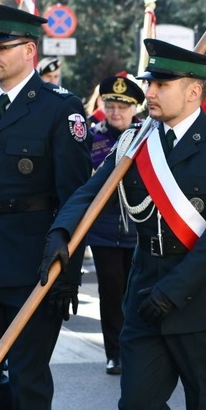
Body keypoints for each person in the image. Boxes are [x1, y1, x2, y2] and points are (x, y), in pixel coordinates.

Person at [42, 39, 206, 409]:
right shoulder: (135, 142)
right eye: (150, 83)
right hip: (143, 296)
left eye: (160, 85)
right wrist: (61, 232)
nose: (149, 92)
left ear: (192, 92)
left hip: (200, 301)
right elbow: (90, 193)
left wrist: (173, 290)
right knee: (137, 403)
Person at [0, 3, 92, 409]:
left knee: (28, 378)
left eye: (0, 47)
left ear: (29, 50)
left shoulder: (60, 109)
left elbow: (77, 197)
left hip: (34, 265)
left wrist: (69, 272)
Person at [86, 72, 145, 375]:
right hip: (104, 231)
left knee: (136, 291)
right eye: (110, 105)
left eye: (122, 106)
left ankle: (138, 349)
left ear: (135, 107)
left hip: (138, 230)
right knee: (111, 290)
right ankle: (115, 352)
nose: (116, 112)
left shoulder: (147, 137)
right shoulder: (92, 138)